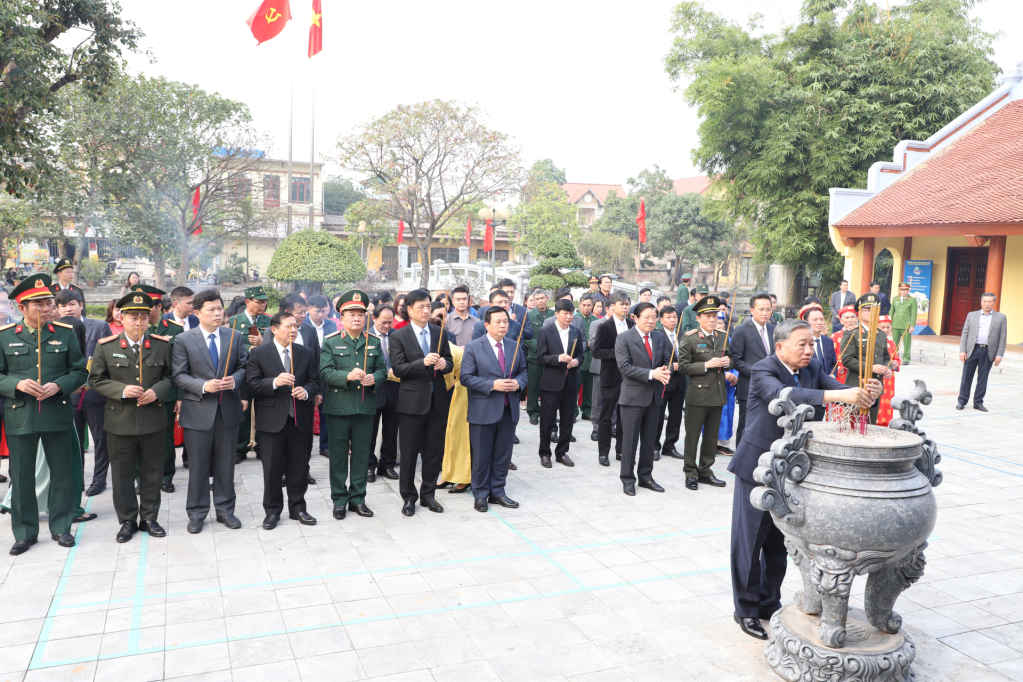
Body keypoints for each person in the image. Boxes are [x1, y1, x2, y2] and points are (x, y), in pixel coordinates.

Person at [728, 319, 881, 640]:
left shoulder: (813, 368)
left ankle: (769, 602)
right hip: (758, 466)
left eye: (812, 343)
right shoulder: (763, 370)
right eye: (802, 344)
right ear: (780, 346)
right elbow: (785, 395)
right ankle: (745, 609)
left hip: (795, 470)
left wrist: (865, 393)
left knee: (780, 541)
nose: (809, 349)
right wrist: (835, 395)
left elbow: (837, 389)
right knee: (749, 540)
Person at [2, 274, 88, 555]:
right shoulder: (5, 337)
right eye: (38, 303)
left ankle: (62, 527)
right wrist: (17, 383)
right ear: (21, 307)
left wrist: (59, 386)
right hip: (21, 414)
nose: (46, 308)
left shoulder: (64, 333)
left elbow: (79, 371)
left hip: (57, 412)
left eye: (48, 302)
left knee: (62, 475)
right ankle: (25, 532)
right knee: (23, 477)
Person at [89, 292, 174, 542]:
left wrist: (156, 392)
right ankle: (127, 520)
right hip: (120, 420)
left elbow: (169, 377)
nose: (139, 323)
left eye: (144, 317)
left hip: (153, 419)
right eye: (133, 317)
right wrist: (122, 390)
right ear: (122, 318)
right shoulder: (107, 346)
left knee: (152, 471)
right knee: (122, 474)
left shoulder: (161, 345)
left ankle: (149, 517)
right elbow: (95, 380)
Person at [172, 289, 248, 534]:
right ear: (197, 313)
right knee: (198, 467)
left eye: (219, 308)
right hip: (197, 412)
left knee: (226, 465)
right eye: (211, 309)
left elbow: (244, 367)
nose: (217, 313)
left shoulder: (234, 337)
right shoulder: (185, 339)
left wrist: (234, 381)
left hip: (228, 410)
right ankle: (196, 512)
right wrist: (204, 385)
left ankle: (226, 510)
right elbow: (178, 375)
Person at [247, 311, 320, 529]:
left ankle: (298, 508)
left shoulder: (305, 353)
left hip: (299, 418)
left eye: (296, 326)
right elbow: (251, 384)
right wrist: (274, 382)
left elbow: (315, 381)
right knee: (272, 468)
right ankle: (272, 511)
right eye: (289, 326)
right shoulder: (259, 353)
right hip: (271, 420)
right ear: (274, 329)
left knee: (299, 466)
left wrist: (306, 392)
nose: (294, 330)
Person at [319, 290, 386, 519]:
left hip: (364, 407)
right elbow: (325, 372)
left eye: (360, 314)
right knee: (338, 457)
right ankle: (339, 499)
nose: (357, 318)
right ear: (342, 318)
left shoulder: (373, 342)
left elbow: (382, 371)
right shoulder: (331, 342)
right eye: (351, 314)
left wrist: (373, 379)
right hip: (338, 408)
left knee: (360, 456)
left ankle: (358, 499)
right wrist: (347, 376)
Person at [390, 289, 453, 517]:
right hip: (411, 402)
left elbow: (448, 359)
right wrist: (422, 362)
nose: (426, 311)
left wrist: (443, 365)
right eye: (421, 307)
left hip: (437, 400)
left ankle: (429, 494)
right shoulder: (398, 335)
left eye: (428, 306)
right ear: (409, 310)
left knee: (432, 452)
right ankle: (409, 497)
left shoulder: (439, 332)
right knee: (408, 453)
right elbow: (398, 369)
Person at [461, 305, 528, 513]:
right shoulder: (473, 347)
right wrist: (493, 385)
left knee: (502, 455)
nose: (502, 325)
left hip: (509, 410)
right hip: (483, 409)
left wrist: (518, 383)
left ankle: (498, 491)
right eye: (498, 321)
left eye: (505, 321)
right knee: (481, 455)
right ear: (486, 324)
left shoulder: (514, 345)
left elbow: (524, 372)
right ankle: (480, 493)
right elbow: (465, 378)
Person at [56, 290, 113, 496]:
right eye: (62, 306)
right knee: (74, 442)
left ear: (81, 304)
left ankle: (99, 480)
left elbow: (109, 359)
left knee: (100, 440)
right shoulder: (56, 330)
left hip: (95, 393)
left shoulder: (99, 327)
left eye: (71, 304)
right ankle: (77, 480)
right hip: (69, 396)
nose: (67, 309)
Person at [615, 302, 671, 495]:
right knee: (629, 441)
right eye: (646, 317)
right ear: (635, 318)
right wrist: (651, 374)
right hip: (632, 397)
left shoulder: (659, 336)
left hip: (655, 398)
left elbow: (666, 359)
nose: (650, 321)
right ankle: (628, 479)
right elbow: (624, 367)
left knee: (649, 441)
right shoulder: (624, 338)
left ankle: (646, 477)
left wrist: (665, 370)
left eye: (653, 317)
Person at [677, 294, 731, 491]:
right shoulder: (690, 339)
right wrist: (706, 365)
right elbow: (683, 367)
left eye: (714, 315)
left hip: (717, 394)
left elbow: (731, 359)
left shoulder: (722, 338)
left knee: (710, 436)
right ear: (698, 318)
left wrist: (727, 363)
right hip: (697, 395)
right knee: (692, 436)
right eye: (707, 316)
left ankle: (705, 470)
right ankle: (690, 472)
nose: (712, 319)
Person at [536, 299, 584, 468]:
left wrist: (576, 362)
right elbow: (540, 357)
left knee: (567, 420)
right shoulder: (545, 331)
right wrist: (557, 358)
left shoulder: (576, 332)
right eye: (565, 313)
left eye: (571, 313)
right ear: (556, 314)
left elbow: (581, 355)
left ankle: (562, 452)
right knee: (547, 421)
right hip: (551, 383)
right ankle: (544, 453)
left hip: (570, 383)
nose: (568, 317)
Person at [225, 286, 271, 463]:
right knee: (242, 409)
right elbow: (229, 347)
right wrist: (250, 348)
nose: (263, 305)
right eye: (259, 302)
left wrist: (263, 342)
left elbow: (276, 346)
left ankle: (261, 445)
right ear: (247, 302)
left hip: (264, 372)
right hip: (243, 372)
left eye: (265, 302)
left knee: (264, 410)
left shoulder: (270, 321)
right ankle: (240, 447)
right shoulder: (234, 321)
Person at [592, 291, 634, 467]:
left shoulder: (633, 325)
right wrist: (618, 354)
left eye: (627, 304)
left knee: (625, 416)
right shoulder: (605, 326)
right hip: (610, 376)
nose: (625, 307)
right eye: (621, 304)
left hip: (630, 378)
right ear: (612, 306)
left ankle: (621, 450)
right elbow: (597, 351)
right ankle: (603, 452)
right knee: (606, 416)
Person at [730, 292, 776, 446]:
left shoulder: (774, 330)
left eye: (768, 309)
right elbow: (735, 360)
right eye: (761, 309)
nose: (765, 313)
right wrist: (758, 374)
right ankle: (741, 460)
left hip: (772, 386)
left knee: (768, 424)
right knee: (746, 425)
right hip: (749, 386)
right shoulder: (742, 330)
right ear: (752, 310)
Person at [839, 293, 892, 424]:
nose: (871, 313)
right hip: (857, 385)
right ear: (860, 312)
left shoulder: (881, 334)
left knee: (870, 423)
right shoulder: (852, 333)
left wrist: (888, 368)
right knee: (853, 424)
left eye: (875, 309)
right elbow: (847, 359)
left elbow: (886, 357)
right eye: (868, 310)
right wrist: (870, 367)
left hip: (875, 386)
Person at [437, 306, 471, 492]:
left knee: (458, 436)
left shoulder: (446, 348)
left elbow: (446, 381)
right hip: (451, 392)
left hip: (461, 392)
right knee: (447, 437)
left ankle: (464, 477)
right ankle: (448, 474)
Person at [957, 292, 1006, 412]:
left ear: (994, 303)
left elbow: (1003, 337)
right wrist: (962, 350)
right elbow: (965, 333)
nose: (987, 304)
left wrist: (999, 355)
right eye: (985, 301)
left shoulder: (1001, 317)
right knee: (966, 377)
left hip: (988, 351)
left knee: (983, 378)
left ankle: (978, 402)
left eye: (990, 301)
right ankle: (962, 401)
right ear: (981, 302)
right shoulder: (971, 315)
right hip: (972, 350)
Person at [367, 305, 399, 482]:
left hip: (394, 389)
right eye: (383, 322)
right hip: (373, 390)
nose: (387, 326)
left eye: (390, 322)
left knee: (391, 430)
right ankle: (369, 465)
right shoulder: (366, 336)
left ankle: (387, 465)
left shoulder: (397, 336)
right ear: (373, 319)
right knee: (369, 431)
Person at [303, 294, 337, 460]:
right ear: (308, 309)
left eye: (324, 311)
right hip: (309, 375)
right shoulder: (303, 326)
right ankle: (305, 447)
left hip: (327, 373)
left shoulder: (331, 325)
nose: (321, 314)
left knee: (326, 412)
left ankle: (326, 446)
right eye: (317, 311)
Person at [653, 305, 685, 460]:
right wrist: (672, 367)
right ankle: (654, 446)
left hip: (680, 382)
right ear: (661, 319)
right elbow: (655, 360)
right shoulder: (657, 336)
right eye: (668, 317)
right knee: (658, 416)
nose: (672, 320)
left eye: (674, 317)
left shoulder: (682, 335)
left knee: (676, 416)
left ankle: (670, 445)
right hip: (663, 381)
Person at [524, 289, 554, 425]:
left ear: (547, 298)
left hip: (552, 356)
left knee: (550, 385)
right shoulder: (528, 315)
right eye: (537, 299)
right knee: (533, 386)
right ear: (533, 301)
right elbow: (524, 337)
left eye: (543, 298)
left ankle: (549, 412)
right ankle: (533, 412)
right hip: (534, 356)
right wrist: (540, 346)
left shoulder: (554, 315)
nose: (540, 301)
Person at [714, 308, 740, 454]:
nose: (719, 326)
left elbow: (736, 361)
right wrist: (722, 375)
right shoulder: (706, 341)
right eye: (717, 323)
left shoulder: (731, 341)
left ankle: (723, 444)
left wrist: (734, 376)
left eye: (721, 323)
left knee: (727, 412)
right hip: (712, 384)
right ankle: (711, 443)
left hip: (728, 386)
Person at [876, 315, 902, 426]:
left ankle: (886, 422)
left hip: (889, 380)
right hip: (877, 377)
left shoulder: (891, 343)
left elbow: (896, 359)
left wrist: (896, 364)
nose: (886, 330)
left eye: (888, 327)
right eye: (883, 327)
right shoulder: (873, 342)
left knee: (887, 400)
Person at [800, 302, 836, 378]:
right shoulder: (801, 342)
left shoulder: (828, 341)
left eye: (822, 319)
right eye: (815, 320)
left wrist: (832, 375)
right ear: (806, 322)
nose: (819, 322)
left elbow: (833, 364)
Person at [576, 294, 597, 422]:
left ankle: (587, 411)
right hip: (580, 358)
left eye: (589, 305)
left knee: (589, 388)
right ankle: (572, 412)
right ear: (580, 305)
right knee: (575, 388)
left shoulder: (596, 320)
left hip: (593, 359)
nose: (586, 307)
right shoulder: (575, 319)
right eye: (584, 305)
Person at [890, 282, 917, 365]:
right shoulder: (895, 299)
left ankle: (906, 358)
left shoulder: (912, 300)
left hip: (906, 325)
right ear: (899, 290)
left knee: (906, 343)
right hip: (896, 324)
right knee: (895, 342)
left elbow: (914, 314)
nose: (903, 291)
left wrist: (912, 326)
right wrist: (890, 324)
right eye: (902, 290)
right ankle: (894, 357)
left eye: (905, 290)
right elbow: (891, 312)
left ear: (908, 290)